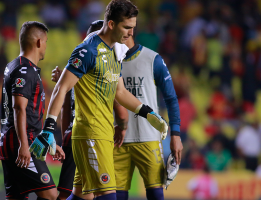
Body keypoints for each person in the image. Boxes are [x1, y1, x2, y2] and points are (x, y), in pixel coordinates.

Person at [30, 1, 168, 199]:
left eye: (133, 28)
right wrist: (49, 128)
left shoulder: (114, 50)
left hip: (102, 135)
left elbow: (119, 92)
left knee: (81, 196)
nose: (130, 34)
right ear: (111, 24)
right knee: (108, 196)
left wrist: (149, 114)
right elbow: (62, 87)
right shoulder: (88, 50)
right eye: (127, 28)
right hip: (90, 134)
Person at [51, 20, 129, 200]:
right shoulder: (104, 67)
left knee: (81, 194)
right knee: (105, 193)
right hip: (94, 134)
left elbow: (66, 108)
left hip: (75, 135)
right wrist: (122, 126)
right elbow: (121, 109)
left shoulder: (77, 66)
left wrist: (65, 138)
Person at [0, 21, 64, 200]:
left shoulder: (15, 66)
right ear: (38, 42)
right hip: (22, 143)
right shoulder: (25, 70)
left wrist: (49, 144)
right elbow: (19, 108)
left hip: (17, 141)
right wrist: (24, 146)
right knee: (50, 195)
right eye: (46, 41)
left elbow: (32, 116)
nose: (46, 46)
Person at [113, 31, 183, 200]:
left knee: (156, 195)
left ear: (129, 31)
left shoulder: (152, 59)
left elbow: (171, 98)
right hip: (117, 140)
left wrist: (176, 134)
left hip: (148, 137)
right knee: (116, 196)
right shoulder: (108, 60)